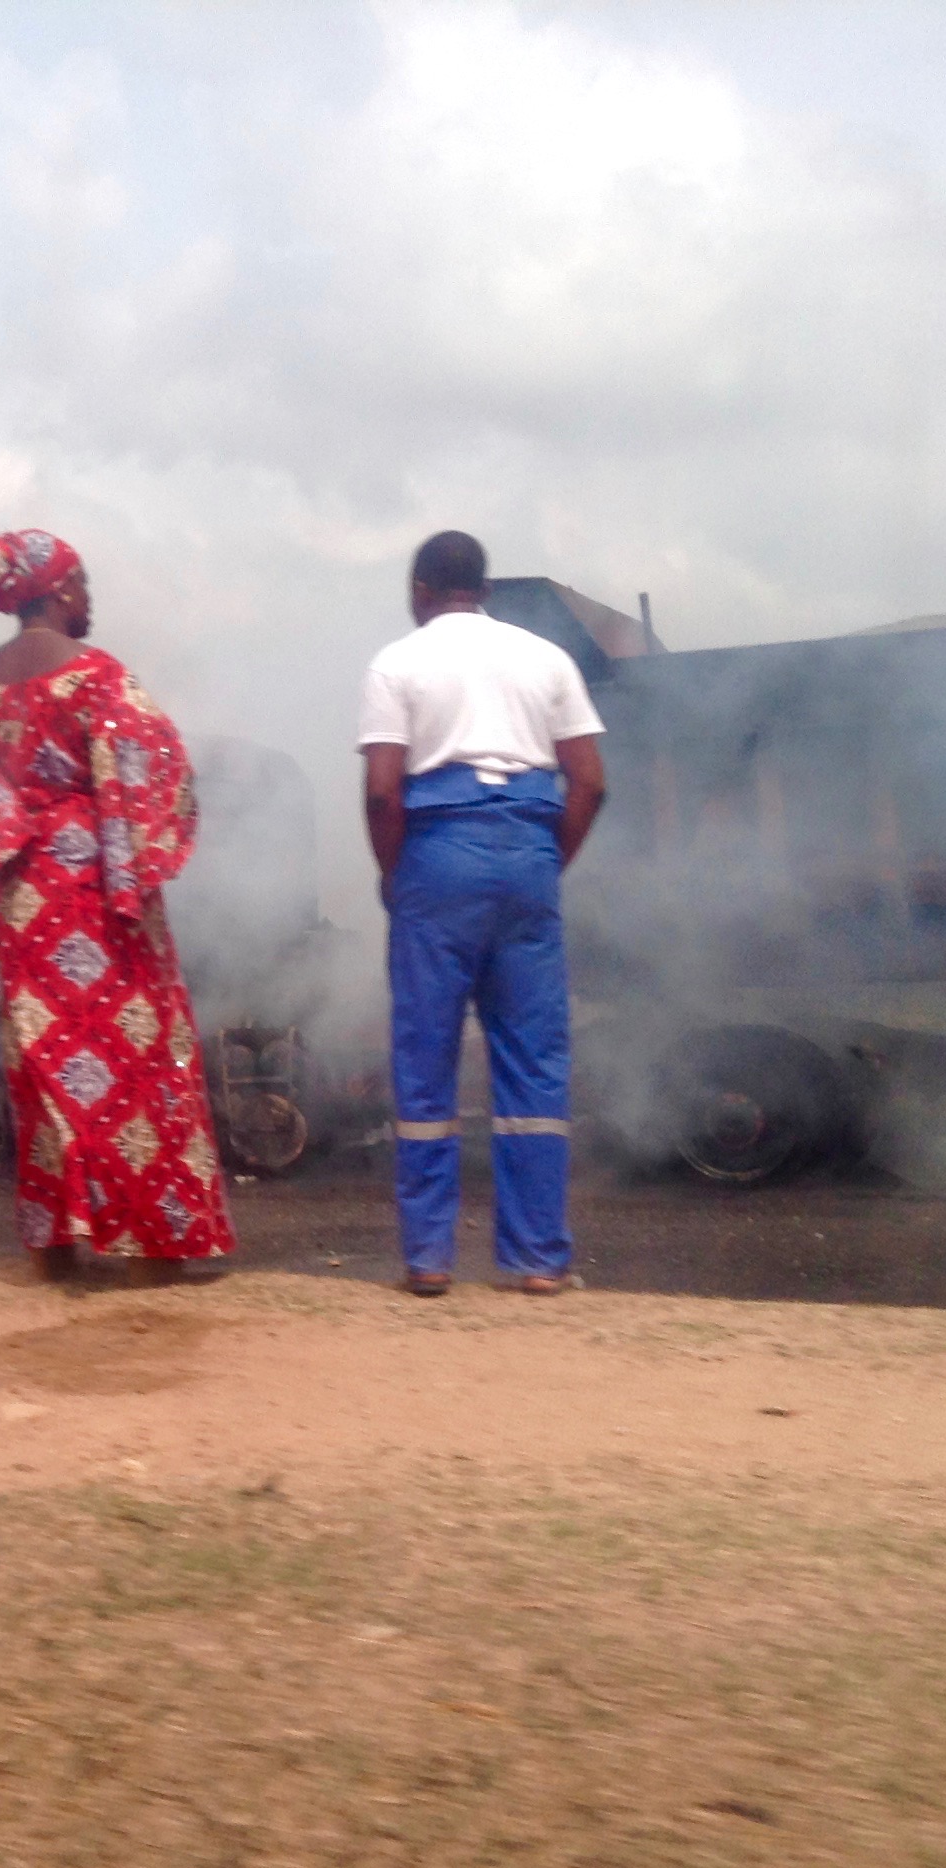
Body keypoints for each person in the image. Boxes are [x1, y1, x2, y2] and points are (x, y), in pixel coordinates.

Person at [0, 529, 234, 1278]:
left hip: (24, 903)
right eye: (87, 588)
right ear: (60, 591)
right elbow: (144, 772)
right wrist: (133, 868)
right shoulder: (99, 676)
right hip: (98, 894)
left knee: (45, 1063)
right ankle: (151, 1247)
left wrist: (18, 851)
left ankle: (57, 1248)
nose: (92, 603)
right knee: (136, 1061)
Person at [359, 530, 607, 1297]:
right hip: (529, 851)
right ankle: (538, 1263)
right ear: (485, 589)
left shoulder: (397, 662)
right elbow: (591, 782)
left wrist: (395, 877)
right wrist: (543, 863)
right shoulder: (547, 659)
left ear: (421, 589)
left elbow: (381, 791)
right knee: (533, 1064)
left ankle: (429, 1261)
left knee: (427, 1061)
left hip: (437, 857)